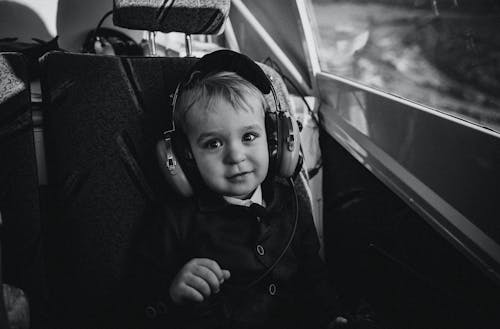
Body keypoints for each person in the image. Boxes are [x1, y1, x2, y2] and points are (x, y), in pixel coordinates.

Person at [120, 50, 347, 329]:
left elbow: (314, 276)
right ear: (184, 157)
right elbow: (134, 304)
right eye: (214, 144)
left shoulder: (292, 203)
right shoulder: (173, 221)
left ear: (275, 142)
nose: (236, 156)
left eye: (249, 136)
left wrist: (330, 316)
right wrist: (172, 293)